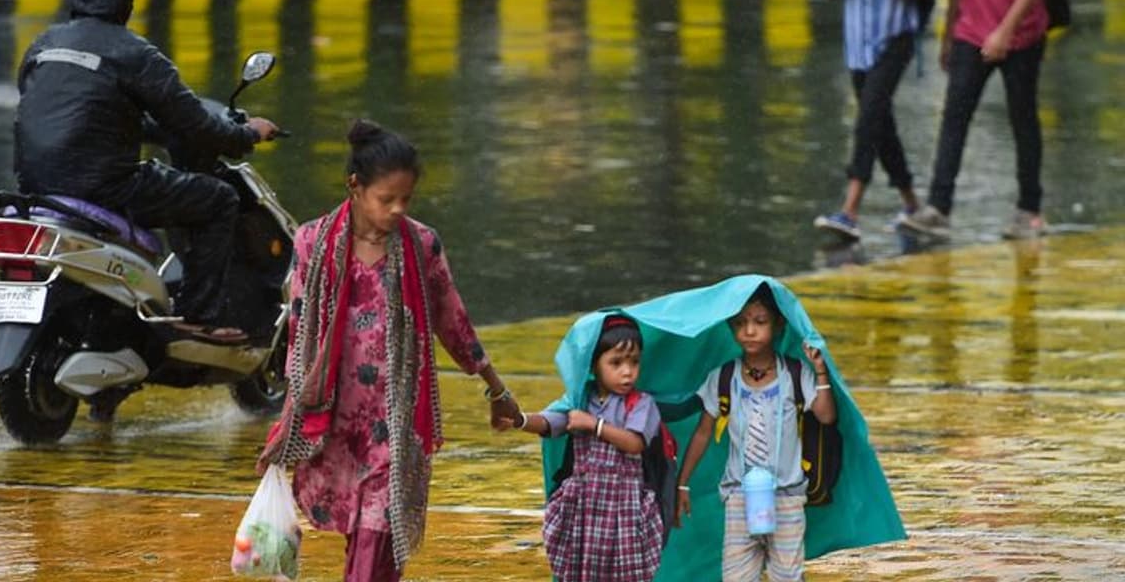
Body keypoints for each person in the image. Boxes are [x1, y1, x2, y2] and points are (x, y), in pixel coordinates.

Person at [255, 119, 520, 582]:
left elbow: (453, 320)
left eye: (407, 199)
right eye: (387, 199)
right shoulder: (313, 241)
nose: (398, 209)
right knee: (362, 540)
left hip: (396, 423)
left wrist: (496, 388)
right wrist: (289, 419)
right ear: (354, 187)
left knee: (380, 531)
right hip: (335, 421)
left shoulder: (421, 244)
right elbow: (300, 335)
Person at [14, 0, 278, 345]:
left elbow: (86, 115)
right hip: (105, 186)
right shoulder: (135, 54)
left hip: (36, 188)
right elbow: (197, 126)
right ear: (125, 1)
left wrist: (149, 131)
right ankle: (199, 317)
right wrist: (248, 134)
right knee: (218, 199)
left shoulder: (42, 45)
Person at [898, 0, 1053, 240]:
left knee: (1023, 120)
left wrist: (1005, 31)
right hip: (972, 29)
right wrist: (950, 32)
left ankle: (1030, 210)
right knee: (954, 116)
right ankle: (939, 208)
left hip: (1021, 34)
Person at [675, 285, 836, 582]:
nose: (749, 331)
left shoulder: (796, 374)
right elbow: (702, 433)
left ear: (778, 325)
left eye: (760, 322)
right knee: (737, 576)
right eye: (741, 323)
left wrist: (821, 372)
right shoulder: (723, 378)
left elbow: (826, 415)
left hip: (787, 496)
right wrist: (682, 484)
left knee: (787, 575)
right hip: (738, 496)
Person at [813, 0, 937, 243]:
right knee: (882, 127)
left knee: (868, 117)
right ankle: (912, 203)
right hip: (857, 45)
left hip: (895, 39)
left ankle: (850, 210)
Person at [502, 315, 665, 582]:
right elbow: (548, 423)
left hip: (623, 509)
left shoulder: (641, 403)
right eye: (616, 362)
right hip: (584, 508)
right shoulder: (580, 400)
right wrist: (518, 419)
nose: (627, 371)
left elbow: (635, 443)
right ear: (593, 365)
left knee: (625, 573)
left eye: (634, 362)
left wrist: (594, 425)